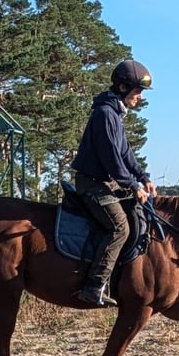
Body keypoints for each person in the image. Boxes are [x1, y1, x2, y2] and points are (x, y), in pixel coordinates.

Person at [70, 59, 158, 307]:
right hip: (94, 185)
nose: (140, 97)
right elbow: (111, 160)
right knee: (120, 227)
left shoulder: (115, 114)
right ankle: (94, 286)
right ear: (122, 87)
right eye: (138, 91)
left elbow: (125, 153)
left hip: (107, 183)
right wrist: (132, 185)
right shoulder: (105, 114)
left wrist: (143, 177)